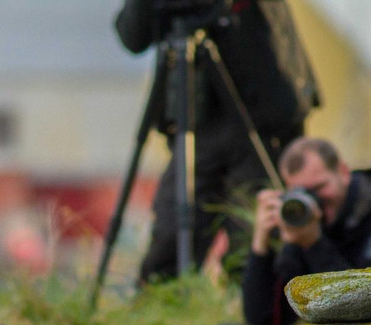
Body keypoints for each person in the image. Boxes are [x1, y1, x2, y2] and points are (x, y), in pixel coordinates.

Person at [123, 137, 371, 325]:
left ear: (344, 172)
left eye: (319, 189)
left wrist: (315, 245)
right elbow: (262, 320)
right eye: (301, 192)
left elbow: (362, 302)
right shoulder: (302, 223)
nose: (314, 201)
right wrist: (261, 244)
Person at [115, 0, 319, 284]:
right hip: (199, 126)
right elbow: (132, 36)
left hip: (262, 117)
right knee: (167, 251)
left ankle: (251, 323)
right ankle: (165, 321)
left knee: (254, 252)